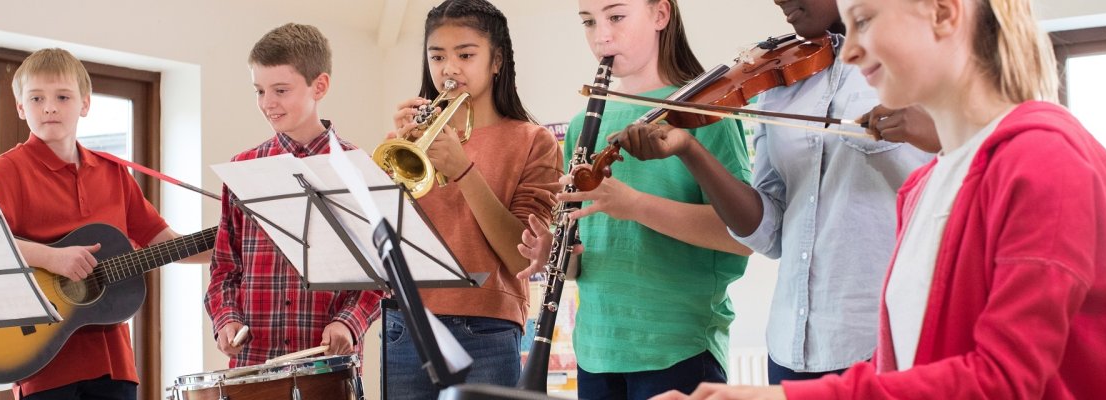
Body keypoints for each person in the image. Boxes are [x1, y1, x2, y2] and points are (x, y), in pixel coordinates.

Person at [656, 0, 1106, 398]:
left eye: (865, 21)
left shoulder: (1044, 161)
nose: (847, 50)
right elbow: (913, 366)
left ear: (943, 11)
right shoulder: (924, 187)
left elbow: (1003, 382)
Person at [610, 0, 935, 384]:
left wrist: (933, 131)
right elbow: (769, 233)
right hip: (789, 348)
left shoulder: (921, 58)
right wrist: (689, 150)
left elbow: (979, 159)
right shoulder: (780, 83)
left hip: (886, 339)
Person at [521, 0, 753, 398]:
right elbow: (584, 261)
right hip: (597, 350)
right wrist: (555, 253)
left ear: (661, 15)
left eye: (616, 17)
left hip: (678, 348)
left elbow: (743, 235)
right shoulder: (583, 126)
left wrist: (636, 206)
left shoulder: (706, 112)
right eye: (589, 22)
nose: (601, 36)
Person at [0, 48, 209, 400]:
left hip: (114, 364)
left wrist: (237, 246)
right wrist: (51, 258)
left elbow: (164, 241)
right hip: (43, 364)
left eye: (62, 97)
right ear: (21, 108)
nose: (50, 107)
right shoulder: (8, 171)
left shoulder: (113, 173)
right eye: (37, 98)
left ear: (85, 104)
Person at [378, 0, 564, 398]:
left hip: (486, 328)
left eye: (465, 54)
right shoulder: (410, 140)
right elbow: (378, 234)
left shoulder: (534, 142)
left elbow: (520, 258)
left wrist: (462, 169)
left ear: (496, 61)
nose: (449, 69)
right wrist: (392, 156)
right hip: (405, 323)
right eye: (437, 56)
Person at [203, 23, 383, 368]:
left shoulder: (360, 170)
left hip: (328, 369)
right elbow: (225, 267)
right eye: (259, 91)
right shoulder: (241, 168)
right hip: (253, 367)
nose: (267, 103)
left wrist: (349, 321)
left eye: (280, 90)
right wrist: (226, 319)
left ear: (320, 86)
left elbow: (380, 273)